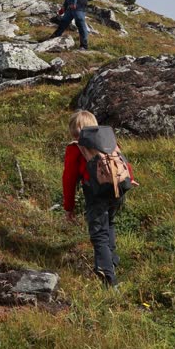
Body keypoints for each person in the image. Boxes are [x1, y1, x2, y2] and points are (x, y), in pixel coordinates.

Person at [62, 110, 136, 287]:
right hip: (118, 190)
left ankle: (108, 279)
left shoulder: (76, 148)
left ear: (74, 130)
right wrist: (130, 179)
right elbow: (123, 162)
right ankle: (112, 261)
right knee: (109, 223)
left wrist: (69, 207)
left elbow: (69, 178)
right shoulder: (108, 140)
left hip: (96, 194)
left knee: (98, 234)